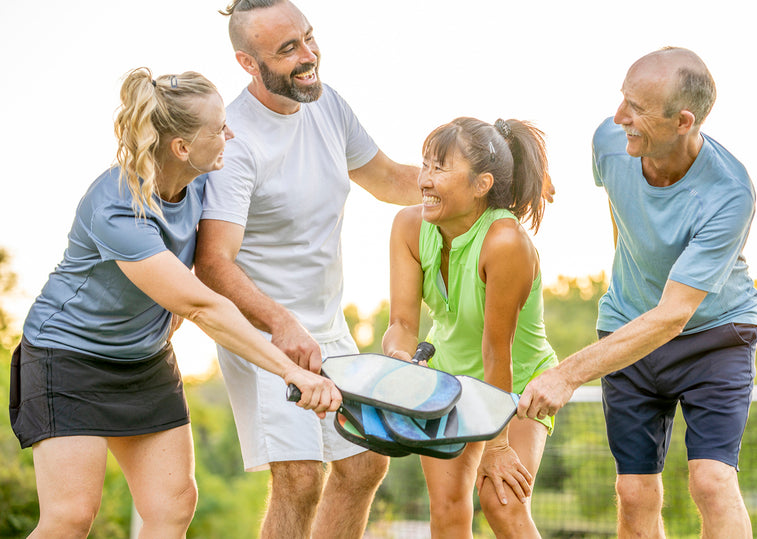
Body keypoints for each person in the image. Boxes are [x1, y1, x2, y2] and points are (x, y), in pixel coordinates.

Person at [7, 67, 341, 539]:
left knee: (173, 506)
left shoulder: (204, 180)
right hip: (68, 358)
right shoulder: (117, 206)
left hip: (144, 360)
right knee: (70, 516)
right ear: (182, 147)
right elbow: (203, 306)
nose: (230, 133)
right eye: (218, 127)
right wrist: (292, 370)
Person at [193, 1, 421, 537]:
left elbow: (388, 179)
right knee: (298, 480)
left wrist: (480, 181)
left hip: (327, 324)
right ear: (248, 63)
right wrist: (280, 323)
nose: (308, 56)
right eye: (288, 49)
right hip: (264, 333)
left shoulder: (328, 106)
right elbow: (212, 262)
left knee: (366, 462)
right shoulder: (236, 140)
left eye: (309, 38)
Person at [517, 47, 757, 538]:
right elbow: (622, 211)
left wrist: (566, 375)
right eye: (621, 99)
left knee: (712, 482)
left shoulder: (730, 193)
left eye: (637, 108)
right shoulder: (610, 142)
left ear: (683, 121)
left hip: (713, 335)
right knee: (634, 493)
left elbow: (674, 315)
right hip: (627, 325)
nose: (618, 117)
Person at [381, 117, 558, 538]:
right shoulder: (408, 227)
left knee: (502, 501)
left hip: (517, 384)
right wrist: (399, 359)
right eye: (425, 165)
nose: (425, 179)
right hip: (449, 380)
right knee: (447, 509)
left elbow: (497, 350)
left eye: (440, 168)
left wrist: (495, 446)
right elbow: (403, 323)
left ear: (482, 184)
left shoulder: (505, 242)